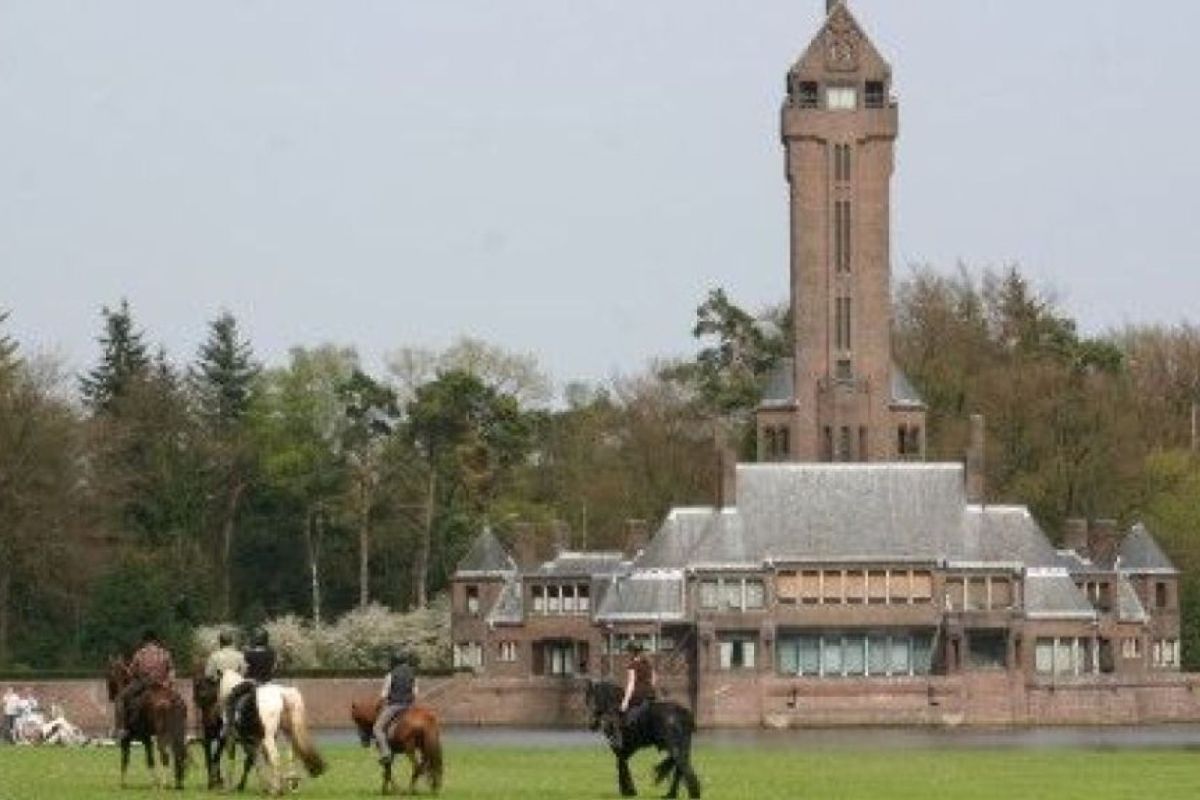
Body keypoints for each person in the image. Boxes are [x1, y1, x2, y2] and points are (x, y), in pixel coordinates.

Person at [114, 630, 175, 740]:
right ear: (156, 640)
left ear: (145, 641)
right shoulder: (165, 653)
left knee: (120, 698)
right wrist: (168, 682)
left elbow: (131, 673)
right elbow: (171, 670)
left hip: (143, 683)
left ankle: (122, 729)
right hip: (162, 684)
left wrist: (123, 667)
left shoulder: (140, 653)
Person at [223, 627, 275, 740]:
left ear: (255, 639)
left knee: (231, 697)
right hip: (269, 683)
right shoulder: (272, 653)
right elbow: (273, 668)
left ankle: (228, 726)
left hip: (253, 683)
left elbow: (244, 670)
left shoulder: (249, 654)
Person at [373, 650, 418, 767]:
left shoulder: (390, 675)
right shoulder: (412, 674)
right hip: (409, 706)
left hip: (395, 706)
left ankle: (385, 753)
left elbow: (384, 695)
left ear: (394, 661)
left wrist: (379, 703)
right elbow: (415, 693)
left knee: (377, 728)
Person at [619, 641, 656, 732]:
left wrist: (625, 702)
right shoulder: (648, 663)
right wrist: (649, 689)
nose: (628, 654)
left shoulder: (633, 665)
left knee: (627, 721)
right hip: (650, 695)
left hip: (638, 697)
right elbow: (654, 679)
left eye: (628, 651)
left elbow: (631, 684)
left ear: (632, 652)